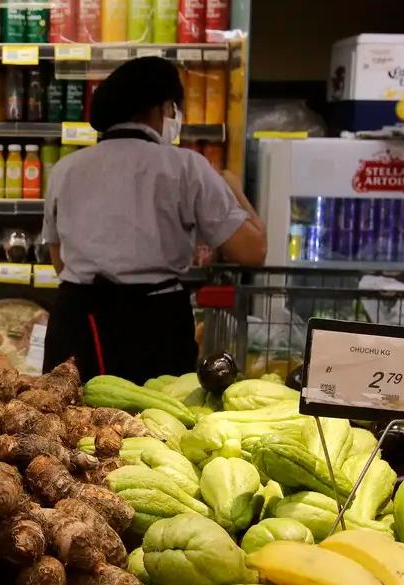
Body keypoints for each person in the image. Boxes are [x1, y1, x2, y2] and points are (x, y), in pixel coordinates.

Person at [41, 56, 266, 384]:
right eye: (173, 108)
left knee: (67, 423)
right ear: (161, 108)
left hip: (77, 320)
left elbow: (57, 259)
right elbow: (252, 252)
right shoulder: (186, 167)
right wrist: (235, 189)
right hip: (154, 323)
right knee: (155, 425)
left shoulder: (66, 168)